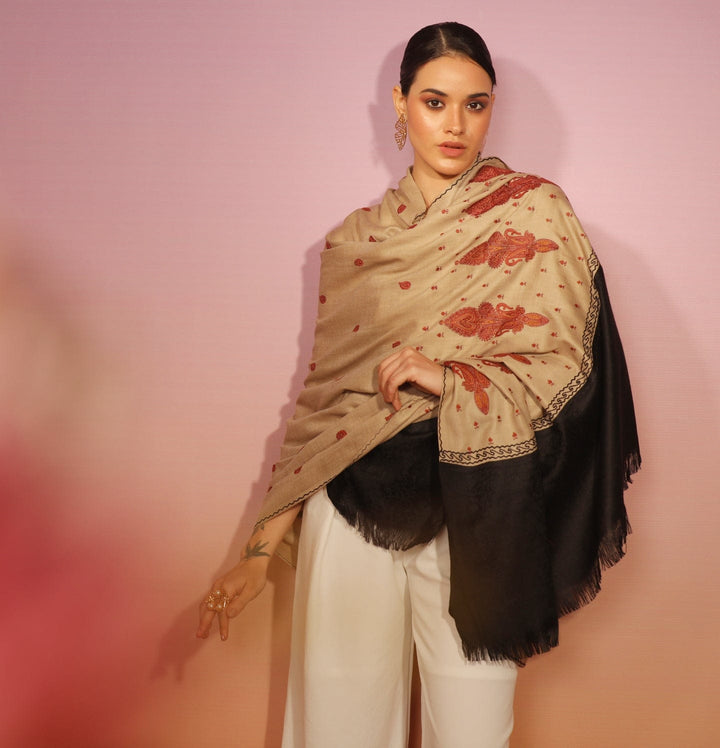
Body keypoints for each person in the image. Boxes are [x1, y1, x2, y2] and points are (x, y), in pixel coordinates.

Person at [196, 21, 640, 748]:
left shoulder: (533, 212)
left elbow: (568, 362)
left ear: (492, 108)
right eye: (435, 103)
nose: (455, 124)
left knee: (473, 733)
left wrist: (452, 378)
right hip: (351, 514)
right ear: (401, 105)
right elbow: (323, 407)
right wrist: (257, 554)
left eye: (475, 104)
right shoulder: (357, 243)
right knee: (338, 732)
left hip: (479, 508)